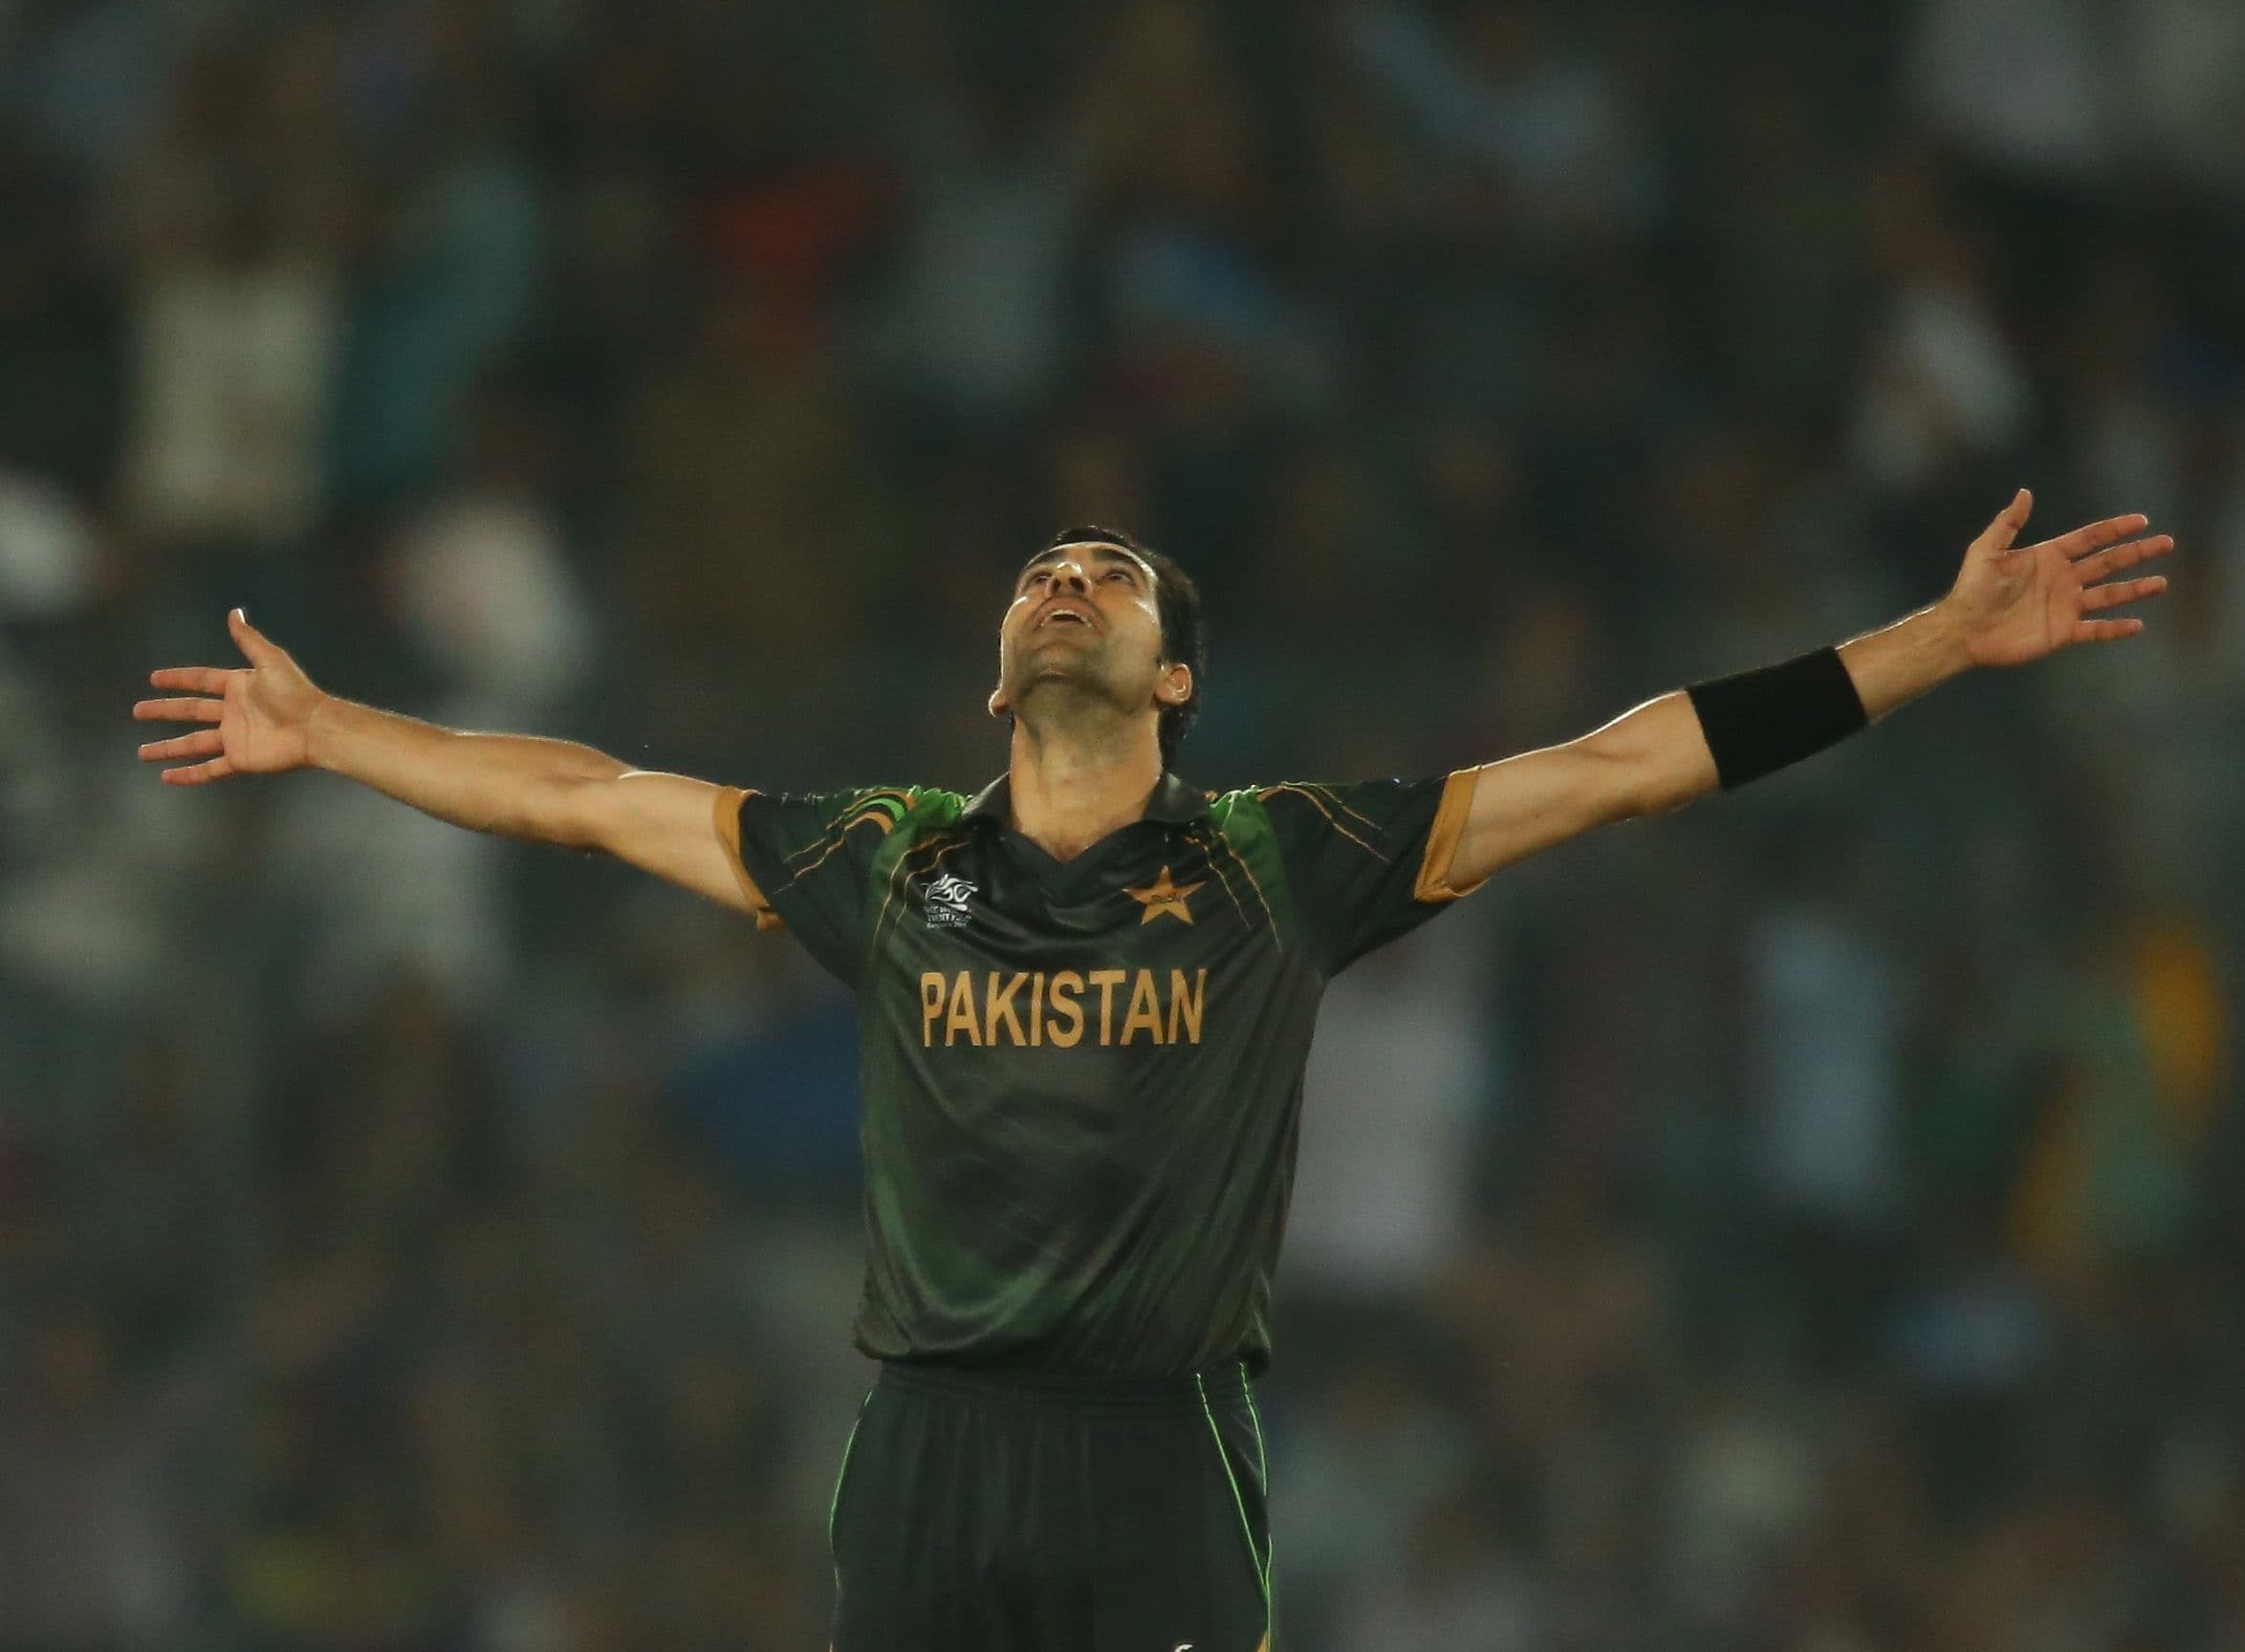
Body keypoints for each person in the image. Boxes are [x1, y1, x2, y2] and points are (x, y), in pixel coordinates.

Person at [134, 497, 2170, 1652]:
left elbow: (1628, 763)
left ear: (1175, 677)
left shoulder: (1283, 862)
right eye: (1040, 571)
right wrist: (335, 734)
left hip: (1157, 1444)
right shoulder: (885, 861)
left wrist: (1930, 642)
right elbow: (587, 796)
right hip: (931, 1439)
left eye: (1109, 575)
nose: (1065, 581)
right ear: (996, 667)